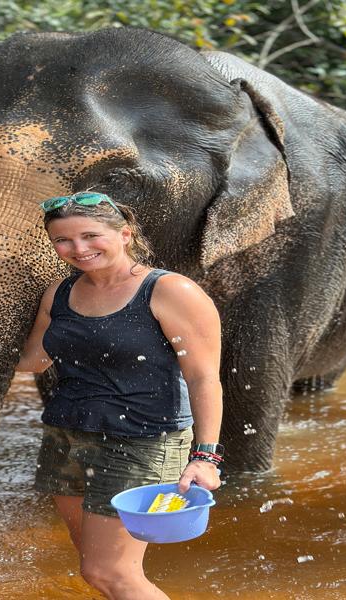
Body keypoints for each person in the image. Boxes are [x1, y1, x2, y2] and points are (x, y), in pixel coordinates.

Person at [16, 191, 223, 600]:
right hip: (66, 436)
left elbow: (203, 379)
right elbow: (34, 360)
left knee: (109, 572)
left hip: (143, 442)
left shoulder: (169, 290)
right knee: (95, 569)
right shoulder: (60, 292)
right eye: (63, 240)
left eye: (91, 235)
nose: (78, 249)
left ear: (125, 234)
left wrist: (205, 456)